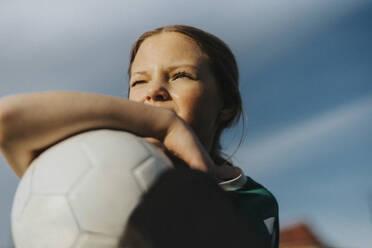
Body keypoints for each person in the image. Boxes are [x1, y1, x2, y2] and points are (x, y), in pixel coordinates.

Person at [0, 25, 279, 247]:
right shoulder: (92, 169)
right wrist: (165, 123)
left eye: (181, 75)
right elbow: (6, 119)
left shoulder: (255, 202)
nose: (154, 90)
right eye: (139, 81)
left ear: (227, 105)